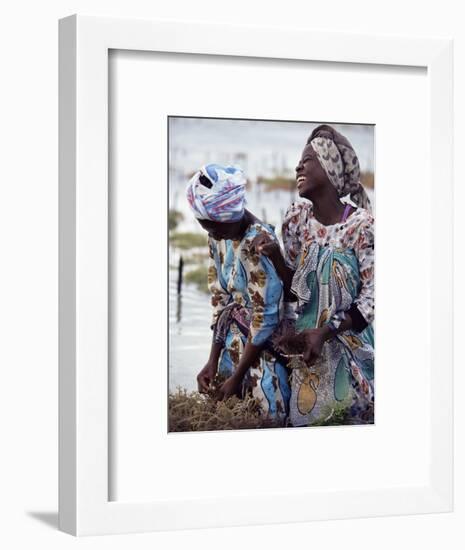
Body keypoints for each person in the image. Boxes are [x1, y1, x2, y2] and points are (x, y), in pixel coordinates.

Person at [253, 125, 375, 426]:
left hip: (349, 345)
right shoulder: (297, 220)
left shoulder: (361, 226)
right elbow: (296, 291)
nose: (298, 166)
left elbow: (373, 299)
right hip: (309, 349)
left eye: (307, 159)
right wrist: (277, 257)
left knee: (348, 420)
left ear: (329, 168)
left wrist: (326, 331)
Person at [186, 163, 291, 420]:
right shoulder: (220, 236)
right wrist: (213, 360)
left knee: (264, 416)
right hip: (233, 344)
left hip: (262, 352)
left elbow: (265, 315)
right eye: (205, 227)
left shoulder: (258, 244)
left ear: (229, 218)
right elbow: (220, 298)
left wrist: (238, 376)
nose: (211, 235)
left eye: (212, 228)